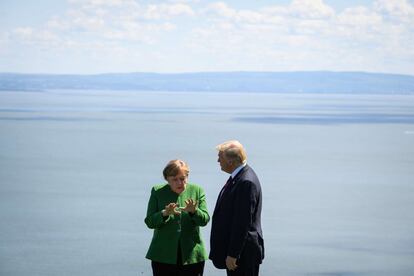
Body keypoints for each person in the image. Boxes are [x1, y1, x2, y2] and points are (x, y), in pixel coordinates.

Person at [145, 159, 210, 276]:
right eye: (174, 179)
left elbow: (204, 220)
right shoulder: (157, 192)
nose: (180, 183)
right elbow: (150, 222)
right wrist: (164, 213)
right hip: (163, 256)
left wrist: (194, 211)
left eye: (182, 178)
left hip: (192, 256)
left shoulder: (197, 190)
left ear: (187, 177)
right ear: (167, 179)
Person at [209, 140, 264, 276]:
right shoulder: (239, 177)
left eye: (220, 157)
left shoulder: (246, 182)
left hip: (243, 255)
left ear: (231, 161)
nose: (217, 161)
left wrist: (233, 254)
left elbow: (242, 222)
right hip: (240, 253)